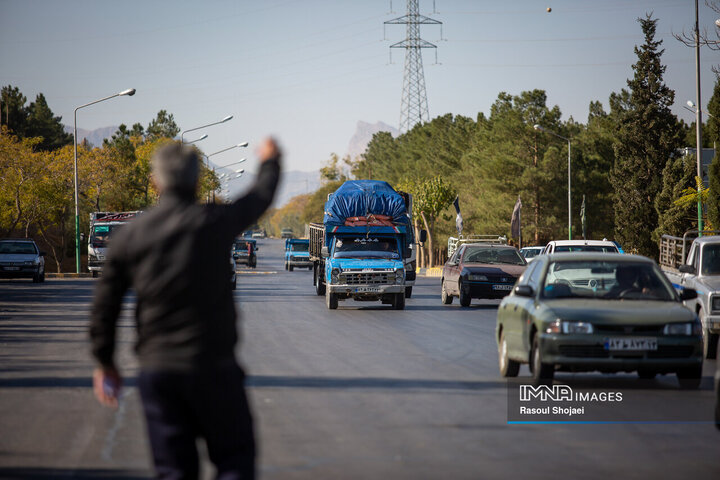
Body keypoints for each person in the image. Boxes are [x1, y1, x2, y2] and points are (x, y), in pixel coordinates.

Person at [89, 138, 281, 480]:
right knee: (235, 461)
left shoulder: (133, 235)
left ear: (156, 182)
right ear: (196, 182)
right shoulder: (214, 222)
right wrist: (270, 161)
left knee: (174, 471)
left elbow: (105, 306)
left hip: (159, 374)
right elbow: (258, 198)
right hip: (215, 370)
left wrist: (105, 362)